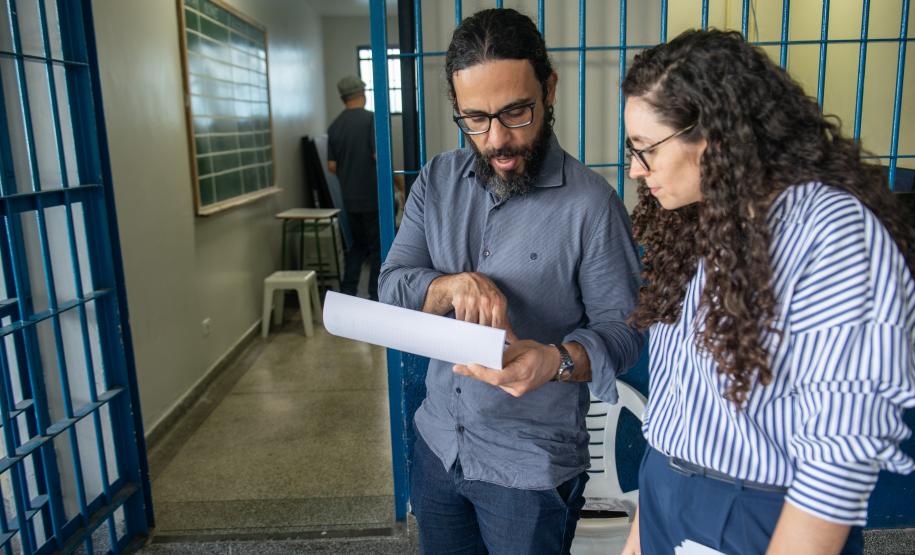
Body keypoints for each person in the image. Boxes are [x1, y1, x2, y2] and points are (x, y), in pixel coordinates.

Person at [618, 30, 915, 555]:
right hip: (664, 490)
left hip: (759, 515)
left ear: (714, 139)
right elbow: (677, 418)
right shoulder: (699, 221)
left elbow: (839, 462)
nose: (636, 170)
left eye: (647, 149)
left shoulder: (832, 234)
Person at [378, 8, 644, 554]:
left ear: (549, 90)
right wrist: (449, 287)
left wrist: (557, 360)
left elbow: (625, 331)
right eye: (475, 119)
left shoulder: (592, 206)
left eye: (516, 113)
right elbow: (391, 287)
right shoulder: (436, 181)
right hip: (437, 445)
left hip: (531, 469)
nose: (497, 140)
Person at [328, 75, 380, 300]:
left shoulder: (334, 126)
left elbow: (331, 166)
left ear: (342, 98)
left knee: (357, 246)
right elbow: (379, 157)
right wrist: (399, 185)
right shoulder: (371, 120)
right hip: (372, 197)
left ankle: (347, 293)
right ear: (362, 94)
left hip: (349, 199)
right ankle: (375, 296)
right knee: (378, 249)